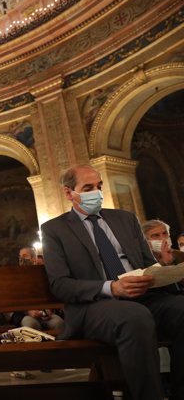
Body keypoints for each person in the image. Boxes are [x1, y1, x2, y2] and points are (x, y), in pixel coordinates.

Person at [42, 164, 184, 400]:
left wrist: (165, 274)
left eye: (99, 186)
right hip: (96, 305)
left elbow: (149, 263)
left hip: (144, 296)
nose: (96, 193)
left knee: (181, 309)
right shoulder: (54, 229)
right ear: (69, 193)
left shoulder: (125, 219)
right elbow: (60, 284)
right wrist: (111, 287)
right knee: (134, 316)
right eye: (87, 188)